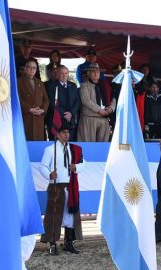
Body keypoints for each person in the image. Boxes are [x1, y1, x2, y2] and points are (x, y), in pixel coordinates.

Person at [39, 124, 85, 254]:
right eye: (63, 132)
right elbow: (42, 166)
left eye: (68, 132)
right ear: (57, 134)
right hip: (56, 186)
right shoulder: (50, 149)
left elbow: (84, 163)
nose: (66, 134)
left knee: (70, 216)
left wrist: (75, 167)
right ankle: (52, 244)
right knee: (54, 215)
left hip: (71, 187)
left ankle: (68, 242)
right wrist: (49, 174)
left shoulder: (74, 149)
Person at [77, 63, 116, 142]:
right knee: (88, 145)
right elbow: (86, 101)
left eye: (98, 72)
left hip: (104, 119)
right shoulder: (84, 86)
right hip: (89, 118)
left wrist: (111, 109)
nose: (96, 73)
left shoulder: (106, 85)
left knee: (103, 145)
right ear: (88, 73)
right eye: (93, 71)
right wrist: (99, 110)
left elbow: (113, 97)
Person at [45, 65, 80, 141]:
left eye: (66, 73)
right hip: (56, 119)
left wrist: (71, 113)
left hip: (70, 120)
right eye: (62, 73)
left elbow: (77, 102)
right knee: (56, 143)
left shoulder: (73, 85)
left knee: (70, 144)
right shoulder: (51, 85)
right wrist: (64, 114)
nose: (64, 75)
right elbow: (51, 103)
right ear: (57, 74)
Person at [17, 59, 49, 140]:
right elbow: (17, 99)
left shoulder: (40, 83)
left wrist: (43, 110)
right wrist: (29, 109)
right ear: (25, 68)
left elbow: (46, 100)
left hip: (38, 117)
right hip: (26, 117)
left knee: (38, 142)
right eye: (29, 67)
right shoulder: (18, 82)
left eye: (34, 68)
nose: (32, 70)